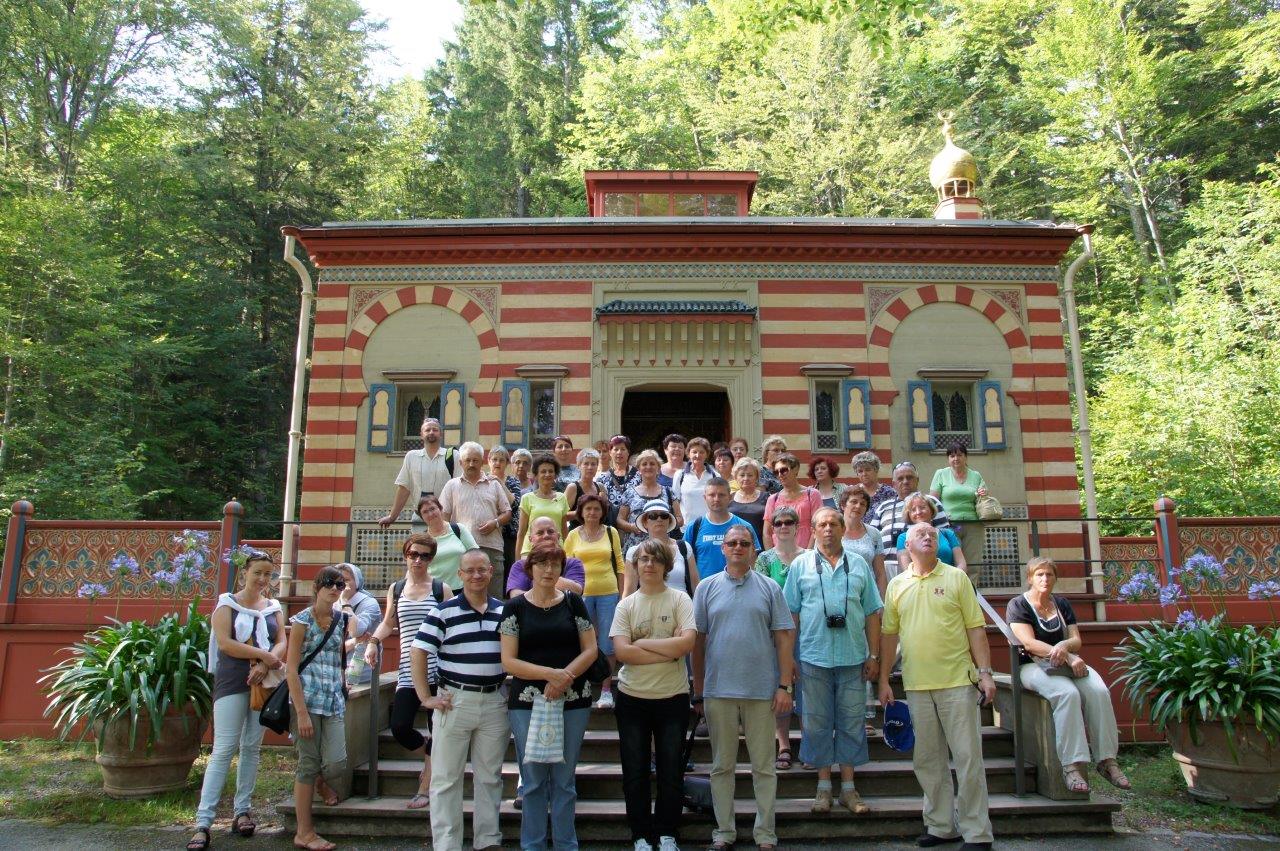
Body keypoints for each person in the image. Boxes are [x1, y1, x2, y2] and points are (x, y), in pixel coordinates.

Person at [879, 523, 995, 850]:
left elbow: (976, 628)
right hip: (917, 685)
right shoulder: (897, 585)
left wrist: (985, 673)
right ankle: (941, 825)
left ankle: (977, 832)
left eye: (933, 534)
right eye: (921, 534)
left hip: (958, 682)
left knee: (968, 759)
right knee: (928, 761)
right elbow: (889, 635)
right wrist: (884, 679)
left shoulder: (957, 578)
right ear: (907, 545)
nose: (929, 537)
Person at [692, 525, 795, 851]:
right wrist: (698, 688)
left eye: (744, 543)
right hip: (718, 691)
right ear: (723, 548)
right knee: (722, 767)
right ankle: (724, 832)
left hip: (761, 691)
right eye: (732, 543)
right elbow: (698, 642)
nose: (738, 547)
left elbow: (784, 638)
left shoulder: (769, 588)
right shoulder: (706, 587)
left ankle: (765, 834)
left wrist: (785, 686)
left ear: (753, 549)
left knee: (764, 768)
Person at [499, 542, 598, 851]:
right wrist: (550, 675)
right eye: (542, 563)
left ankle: (567, 844)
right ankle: (533, 845)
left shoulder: (573, 602)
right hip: (527, 701)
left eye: (555, 564)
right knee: (533, 780)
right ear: (530, 569)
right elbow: (508, 660)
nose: (549, 570)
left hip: (574, 698)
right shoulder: (515, 607)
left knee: (565, 780)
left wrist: (564, 677)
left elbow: (591, 649)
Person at [784, 508, 883, 815]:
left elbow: (872, 612)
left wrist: (874, 655)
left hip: (853, 657)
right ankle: (824, 787)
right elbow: (790, 615)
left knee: (852, 722)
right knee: (816, 723)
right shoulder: (800, 565)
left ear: (842, 529)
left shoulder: (860, 565)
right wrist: (788, 658)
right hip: (813, 657)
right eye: (822, 524)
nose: (828, 528)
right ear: (813, 530)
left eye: (833, 524)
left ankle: (849, 789)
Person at [188, 551, 285, 851]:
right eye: (257, 573)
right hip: (232, 681)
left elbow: (281, 640)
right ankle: (203, 822)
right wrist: (263, 656)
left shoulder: (272, 607)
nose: (263, 579)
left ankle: (242, 811)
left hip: (263, 683)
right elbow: (226, 643)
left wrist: (265, 664)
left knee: (251, 748)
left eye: (268, 574)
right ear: (244, 573)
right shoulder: (227, 604)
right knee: (223, 749)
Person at [1007, 557, 1129, 794]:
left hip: (1064, 664)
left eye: (1049, 574)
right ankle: (1072, 765)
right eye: (1039, 574)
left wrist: (1065, 647)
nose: (1044, 579)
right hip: (1032, 666)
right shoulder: (1018, 604)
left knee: (1099, 691)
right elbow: (1028, 643)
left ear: (1055, 578)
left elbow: (1076, 639)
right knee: (1067, 694)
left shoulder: (1061, 604)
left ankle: (1107, 760)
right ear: (1030, 578)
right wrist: (1069, 656)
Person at [413, 549, 507, 851]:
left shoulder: (504, 612)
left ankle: (487, 840)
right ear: (460, 574)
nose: (476, 575)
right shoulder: (443, 611)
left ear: (490, 572)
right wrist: (425, 697)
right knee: (445, 778)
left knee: (490, 777)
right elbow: (419, 650)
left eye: (482, 570)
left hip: (494, 701)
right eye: (470, 570)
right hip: (454, 700)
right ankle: (447, 844)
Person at [611, 538, 697, 851]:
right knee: (634, 770)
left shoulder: (680, 599)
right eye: (644, 559)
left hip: (672, 697)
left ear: (666, 566)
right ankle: (640, 834)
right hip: (632, 697)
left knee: (670, 769)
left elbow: (686, 644)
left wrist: (642, 644)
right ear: (636, 565)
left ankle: (667, 832)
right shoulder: (626, 605)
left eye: (656, 560)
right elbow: (622, 652)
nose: (649, 565)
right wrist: (667, 650)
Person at [364, 534, 451, 809]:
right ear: (406, 555)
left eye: (424, 556)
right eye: (414, 554)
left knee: (437, 729)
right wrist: (373, 642)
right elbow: (388, 622)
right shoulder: (397, 588)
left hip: (437, 670)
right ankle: (430, 758)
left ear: (431, 559)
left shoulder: (441, 589)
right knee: (400, 727)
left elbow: (451, 626)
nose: (418, 560)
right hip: (407, 670)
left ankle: (425, 787)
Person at [286, 567, 350, 851]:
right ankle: (304, 832)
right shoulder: (302, 621)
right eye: (329, 583)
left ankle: (320, 782)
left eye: (339, 584)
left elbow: (339, 660)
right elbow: (290, 669)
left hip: (333, 701)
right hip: (307, 702)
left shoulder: (341, 620)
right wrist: (300, 713)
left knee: (337, 762)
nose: (334, 589)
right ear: (316, 587)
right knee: (308, 764)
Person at [753, 505, 807, 771]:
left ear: (797, 527)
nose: (783, 526)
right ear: (772, 528)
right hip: (775, 635)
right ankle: (783, 744)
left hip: (808, 633)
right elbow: (762, 595)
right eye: (778, 523)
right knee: (781, 688)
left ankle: (809, 744)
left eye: (789, 522)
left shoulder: (809, 557)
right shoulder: (764, 559)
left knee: (807, 692)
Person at [564, 493, 626, 710]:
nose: (592, 512)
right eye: (588, 508)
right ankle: (584, 686)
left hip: (608, 592)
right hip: (581, 595)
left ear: (603, 512)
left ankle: (606, 691)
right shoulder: (573, 535)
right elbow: (566, 567)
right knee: (582, 641)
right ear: (581, 512)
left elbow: (620, 564)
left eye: (597, 509)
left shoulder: (611, 532)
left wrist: (622, 595)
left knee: (607, 642)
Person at [440, 442, 513, 598]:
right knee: (465, 598)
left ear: (482, 462)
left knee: (494, 598)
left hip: (492, 548)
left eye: (475, 460)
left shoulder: (494, 484)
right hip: (462, 549)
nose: (471, 464)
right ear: (461, 463)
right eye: (468, 460)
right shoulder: (451, 486)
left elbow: (507, 513)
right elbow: (443, 518)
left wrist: (495, 523)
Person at [874, 461, 951, 579]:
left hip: (924, 567)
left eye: (909, 477)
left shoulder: (931, 502)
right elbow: (873, 537)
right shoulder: (883, 507)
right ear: (894, 484)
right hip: (887, 568)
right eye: (900, 478)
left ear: (917, 480)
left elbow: (944, 536)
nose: (905, 481)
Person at [378, 417, 458, 527]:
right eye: (427, 430)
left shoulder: (453, 456)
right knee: (418, 540)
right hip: (420, 518)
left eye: (435, 430)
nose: (431, 432)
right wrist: (392, 516)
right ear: (421, 434)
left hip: (445, 519)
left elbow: (460, 488)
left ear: (441, 434)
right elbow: (404, 488)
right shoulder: (411, 456)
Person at [685, 477, 760, 580]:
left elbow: (753, 562)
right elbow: (685, 561)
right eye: (712, 495)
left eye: (721, 495)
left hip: (739, 586)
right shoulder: (694, 527)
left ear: (730, 497)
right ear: (705, 497)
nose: (716, 499)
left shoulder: (745, 527)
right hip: (704, 588)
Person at [623, 499, 699, 598]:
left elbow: (696, 586)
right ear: (645, 522)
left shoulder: (684, 547)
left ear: (669, 521)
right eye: (653, 516)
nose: (659, 519)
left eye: (664, 516)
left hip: (681, 605)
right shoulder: (634, 552)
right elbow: (629, 592)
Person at [930, 445, 989, 567]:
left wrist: (982, 493)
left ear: (966, 457)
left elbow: (984, 498)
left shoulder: (976, 475)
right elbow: (933, 502)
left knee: (973, 561)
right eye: (952, 456)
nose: (956, 458)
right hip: (949, 525)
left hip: (973, 524)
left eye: (959, 455)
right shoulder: (941, 474)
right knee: (951, 560)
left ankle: (972, 581)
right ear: (948, 459)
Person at [616, 449, 683, 552]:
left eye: (652, 464)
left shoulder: (668, 492)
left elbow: (680, 519)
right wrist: (632, 527)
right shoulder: (629, 493)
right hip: (635, 548)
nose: (648, 467)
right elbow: (619, 520)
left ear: (658, 468)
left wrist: (665, 525)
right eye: (644, 464)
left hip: (662, 547)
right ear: (639, 469)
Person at [507, 516, 586, 597]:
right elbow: (515, 595)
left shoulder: (572, 563)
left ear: (558, 537)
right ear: (531, 539)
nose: (546, 536)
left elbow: (576, 591)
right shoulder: (521, 565)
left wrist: (540, 577)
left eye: (550, 532)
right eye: (540, 533)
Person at [895, 492, 967, 578]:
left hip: (950, 581)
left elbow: (961, 563)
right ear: (909, 515)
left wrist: (955, 579)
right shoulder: (903, 538)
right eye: (913, 510)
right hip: (920, 583)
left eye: (922, 507)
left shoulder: (948, 534)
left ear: (931, 510)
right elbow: (906, 569)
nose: (918, 512)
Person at [416, 495, 480, 587]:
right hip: (435, 590)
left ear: (440, 509)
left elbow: (476, 555)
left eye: (432, 509)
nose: (430, 514)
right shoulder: (423, 540)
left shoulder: (458, 529)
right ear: (422, 517)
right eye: (425, 512)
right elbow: (418, 566)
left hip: (463, 588)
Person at [763, 453, 823, 550]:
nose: (780, 475)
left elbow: (818, 526)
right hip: (779, 553)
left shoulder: (812, 494)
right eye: (776, 472)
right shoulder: (773, 499)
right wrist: (770, 556)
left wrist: (808, 553)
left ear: (796, 469)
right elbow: (767, 532)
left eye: (783, 470)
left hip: (806, 550)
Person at [515, 454, 570, 557]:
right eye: (543, 471)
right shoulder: (527, 498)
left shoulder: (562, 498)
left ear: (555, 475)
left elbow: (564, 531)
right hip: (531, 552)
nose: (547, 474)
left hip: (556, 552)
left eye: (551, 471)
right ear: (536, 475)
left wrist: (567, 555)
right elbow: (521, 532)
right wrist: (517, 560)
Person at [336, 563, 381, 685]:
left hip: (358, 672)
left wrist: (345, 601)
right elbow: (328, 646)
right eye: (338, 581)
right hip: (333, 670)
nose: (341, 584)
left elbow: (356, 631)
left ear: (357, 582)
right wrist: (354, 642)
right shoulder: (333, 603)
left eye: (346, 580)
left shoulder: (369, 603)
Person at [840, 489, 887, 596]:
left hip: (867, 594)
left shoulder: (874, 534)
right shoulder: (831, 530)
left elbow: (880, 573)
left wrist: (882, 600)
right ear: (843, 505)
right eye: (854, 502)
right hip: (839, 593)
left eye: (862, 504)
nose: (858, 506)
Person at [488, 444, 523, 577]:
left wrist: (499, 482)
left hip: (509, 534)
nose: (497, 463)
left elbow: (515, 504)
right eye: (494, 459)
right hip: (489, 533)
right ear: (489, 461)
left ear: (507, 463)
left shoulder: (513, 481)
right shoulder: (482, 480)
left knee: (509, 571)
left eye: (501, 460)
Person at [674, 437, 715, 525]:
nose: (697, 455)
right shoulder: (680, 475)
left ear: (707, 454)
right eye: (694, 452)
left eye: (701, 452)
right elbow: (675, 501)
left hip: (709, 525)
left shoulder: (715, 475)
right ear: (688, 454)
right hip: (686, 527)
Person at [729, 457, 769, 543]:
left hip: (760, 545)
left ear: (757, 477)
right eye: (742, 475)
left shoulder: (767, 498)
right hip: (734, 546)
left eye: (750, 475)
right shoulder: (728, 498)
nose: (746, 478)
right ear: (735, 477)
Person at [597, 434, 640, 509]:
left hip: (633, 515)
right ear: (610, 452)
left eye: (623, 449)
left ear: (628, 452)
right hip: (611, 516)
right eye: (616, 449)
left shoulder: (639, 475)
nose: (619, 452)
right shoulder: (602, 478)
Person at [564, 447, 603, 528]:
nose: (590, 467)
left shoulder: (600, 487)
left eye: (593, 464)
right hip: (576, 532)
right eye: (586, 464)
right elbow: (562, 515)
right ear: (579, 466)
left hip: (597, 532)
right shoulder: (573, 488)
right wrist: (579, 512)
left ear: (597, 466)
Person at [850, 451, 897, 517]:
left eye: (868, 470)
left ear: (876, 470)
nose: (864, 474)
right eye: (860, 471)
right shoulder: (852, 492)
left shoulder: (889, 493)